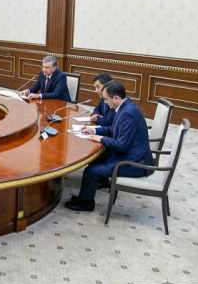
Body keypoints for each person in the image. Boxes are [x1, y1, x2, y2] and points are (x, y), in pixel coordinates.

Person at [64, 80, 153, 212]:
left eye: (106, 99)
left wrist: (101, 138)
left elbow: (121, 145)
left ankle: (86, 203)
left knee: (91, 171)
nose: (104, 102)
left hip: (135, 162)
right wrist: (94, 131)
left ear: (116, 98)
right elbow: (112, 129)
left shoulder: (128, 113)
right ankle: (87, 194)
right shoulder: (124, 107)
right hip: (129, 153)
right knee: (97, 157)